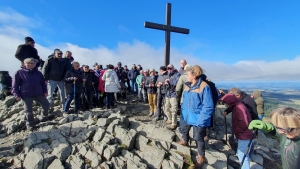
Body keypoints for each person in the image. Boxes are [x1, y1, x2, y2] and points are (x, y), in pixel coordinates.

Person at [178, 65, 214, 168]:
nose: (187, 76)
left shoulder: (204, 86)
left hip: (198, 117)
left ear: (193, 76)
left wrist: (201, 120)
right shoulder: (187, 85)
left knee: (198, 137)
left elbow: (208, 106)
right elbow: (185, 99)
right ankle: (184, 141)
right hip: (187, 114)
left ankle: (201, 156)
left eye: (188, 74)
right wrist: (183, 110)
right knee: (184, 129)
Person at [11, 58, 49, 130]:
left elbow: (43, 83)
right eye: (28, 63)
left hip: (39, 92)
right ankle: (30, 124)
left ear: (35, 65)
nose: (30, 65)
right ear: (24, 64)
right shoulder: (19, 72)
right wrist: (16, 94)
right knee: (28, 110)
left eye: (32, 63)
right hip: (26, 94)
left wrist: (45, 91)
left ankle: (43, 117)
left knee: (46, 105)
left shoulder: (38, 73)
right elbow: (15, 85)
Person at [221, 93, 253, 169]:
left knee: (242, 154)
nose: (226, 104)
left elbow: (244, 123)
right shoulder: (237, 105)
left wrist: (237, 132)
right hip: (244, 134)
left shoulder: (239, 107)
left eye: (226, 102)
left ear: (230, 101)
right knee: (243, 153)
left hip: (244, 134)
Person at [175, 64, 192, 133]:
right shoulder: (195, 77)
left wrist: (179, 95)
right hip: (192, 99)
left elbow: (178, 88)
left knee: (183, 115)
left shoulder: (182, 77)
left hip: (184, 98)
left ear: (184, 70)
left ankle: (182, 130)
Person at [164, 64, 181, 130]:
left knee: (174, 110)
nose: (169, 69)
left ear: (173, 68)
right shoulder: (167, 75)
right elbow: (165, 83)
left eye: (170, 68)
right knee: (166, 108)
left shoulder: (177, 74)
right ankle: (170, 119)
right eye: (168, 68)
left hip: (174, 94)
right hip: (168, 94)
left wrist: (169, 81)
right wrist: (165, 83)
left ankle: (174, 123)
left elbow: (177, 83)